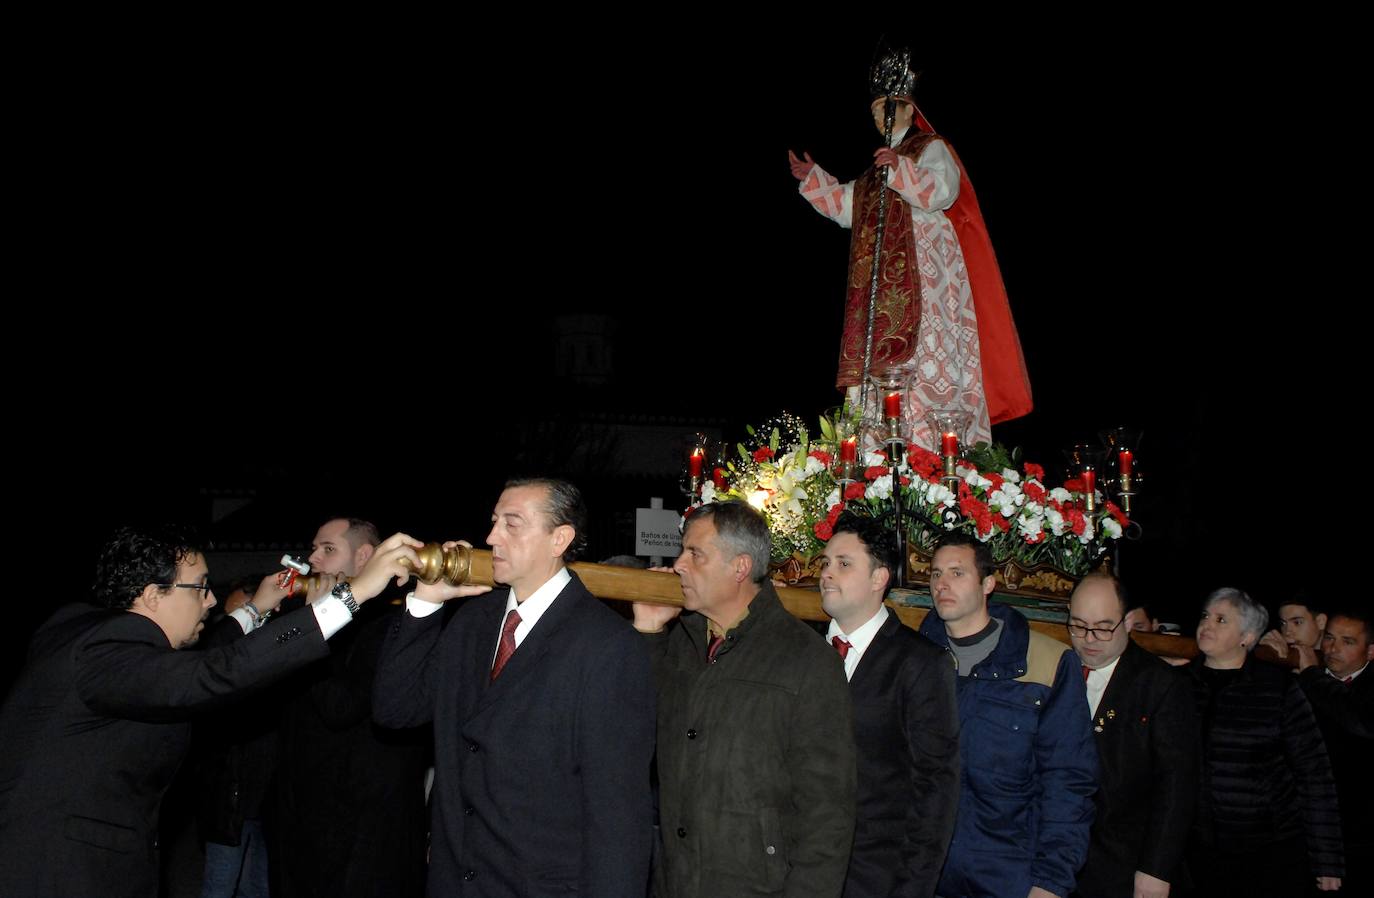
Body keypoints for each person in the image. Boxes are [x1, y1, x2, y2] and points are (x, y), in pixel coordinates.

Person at [0, 523, 419, 898]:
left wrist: (257, 607)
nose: (211, 599)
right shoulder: (107, 652)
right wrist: (355, 594)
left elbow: (195, 670)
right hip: (61, 871)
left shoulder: (88, 633)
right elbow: (216, 674)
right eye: (200, 587)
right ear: (153, 595)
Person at [373, 478, 656, 897]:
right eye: (493, 522)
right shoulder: (472, 623)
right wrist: (426, 601)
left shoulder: (608, 646)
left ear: (559, 538)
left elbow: (617, 815)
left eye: (512, 524)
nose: (491, 537)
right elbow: (395, 708)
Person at [788, 47, 1031, 448]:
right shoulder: (876, 167)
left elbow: (944, 190)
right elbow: (849, 206)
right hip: (880, 287)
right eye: (875, 109)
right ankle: (876, 448)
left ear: (908, 108)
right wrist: (815, 179)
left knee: (927, 351)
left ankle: (937, 443)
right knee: (879, 362)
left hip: (927, 273)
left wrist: (899, 169)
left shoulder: (929, 146)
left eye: (889, 106)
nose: (880, 115)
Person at [633, 500, 856, 898]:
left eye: (695, 553)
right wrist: (648, 632)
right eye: (682, 551)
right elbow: (636, 734)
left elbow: (827, 814)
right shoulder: (680, 645)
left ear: (739, 568)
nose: (679, 564)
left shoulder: (806, 660)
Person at [916, 531, 1097, 898]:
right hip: (925, 872)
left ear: (988, 584)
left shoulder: (1046, 663)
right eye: (935, 574)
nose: (942, 584)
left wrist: (1050, 881)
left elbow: (1068, 780)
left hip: (1006, 876)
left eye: (956, 572)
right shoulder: (915, 658)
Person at [271, 516, 428, 898]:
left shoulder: (393, 622)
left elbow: (339, 707)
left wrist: (313, 624)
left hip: (360, 834)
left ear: (364, 557)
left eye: (328, 549)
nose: (313, 560)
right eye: (313, 549)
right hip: (303, 817)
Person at [819, 513, 958, 898]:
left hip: (876, 877)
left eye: (844, 564)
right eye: (825, 563)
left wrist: (912, 888)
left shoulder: (920, 663)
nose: (828, 573)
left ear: (880, 578)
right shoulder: (803, 652)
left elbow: (935, 788)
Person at [1184, 587, 1343, 894]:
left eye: (1221, 620)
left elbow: (1315, 775)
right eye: (1205, 616)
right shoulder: (1179, 687)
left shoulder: (1278, 690)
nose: (1207, 625)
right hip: (1197, 853)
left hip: (1269, 855)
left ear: (1247, 636)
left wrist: (1327, 861)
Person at [1067, 572, 1197, 898]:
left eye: (1102, 627)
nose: (1089, 638)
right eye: (1078, 625)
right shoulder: (1060, 669)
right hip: (1065, 857)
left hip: (1125, 863)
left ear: (1126, 623)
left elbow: (1177, 784)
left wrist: (1156, 869)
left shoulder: (1160, 685)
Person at [1294, 607, 1374, 894]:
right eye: (1329, 638)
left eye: (1348, 641)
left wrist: (1311, 676)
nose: (1333, 648)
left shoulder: (1312, 679)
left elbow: (1359, 719)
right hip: (1311, 830)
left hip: (1362, 835)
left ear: (1371, 651)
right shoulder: (1301, 681)